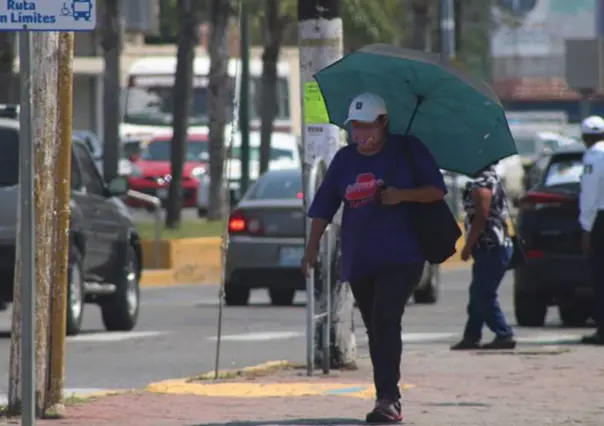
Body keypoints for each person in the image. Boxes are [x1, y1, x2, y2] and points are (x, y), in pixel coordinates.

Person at [300, 93, 446, 423]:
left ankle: (389, 399)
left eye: (369, 127)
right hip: (361, 256)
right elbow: (324, 206)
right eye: (356, 128)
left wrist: (401, 195)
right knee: (375, 328)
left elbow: (436, 190)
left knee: (385, 318)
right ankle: (384, 393)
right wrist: (310, 250)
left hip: (403, 255)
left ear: (384, 123)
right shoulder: (345, 159)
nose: (362, 135)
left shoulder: (408, 150)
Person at [450, 165, 516, 350]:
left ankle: (504, 333)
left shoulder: (482, 183)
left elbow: (481, 217)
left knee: (483, 294)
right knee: (477, 293)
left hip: (492, 247)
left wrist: (467, 245)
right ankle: (471, 336)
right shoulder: (492, 179)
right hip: (491, 248)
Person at [578, 115, 604, 345]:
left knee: (600, 276)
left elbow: (589, 195)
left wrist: (586, 227)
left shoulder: (594, 156)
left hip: (601, 219)